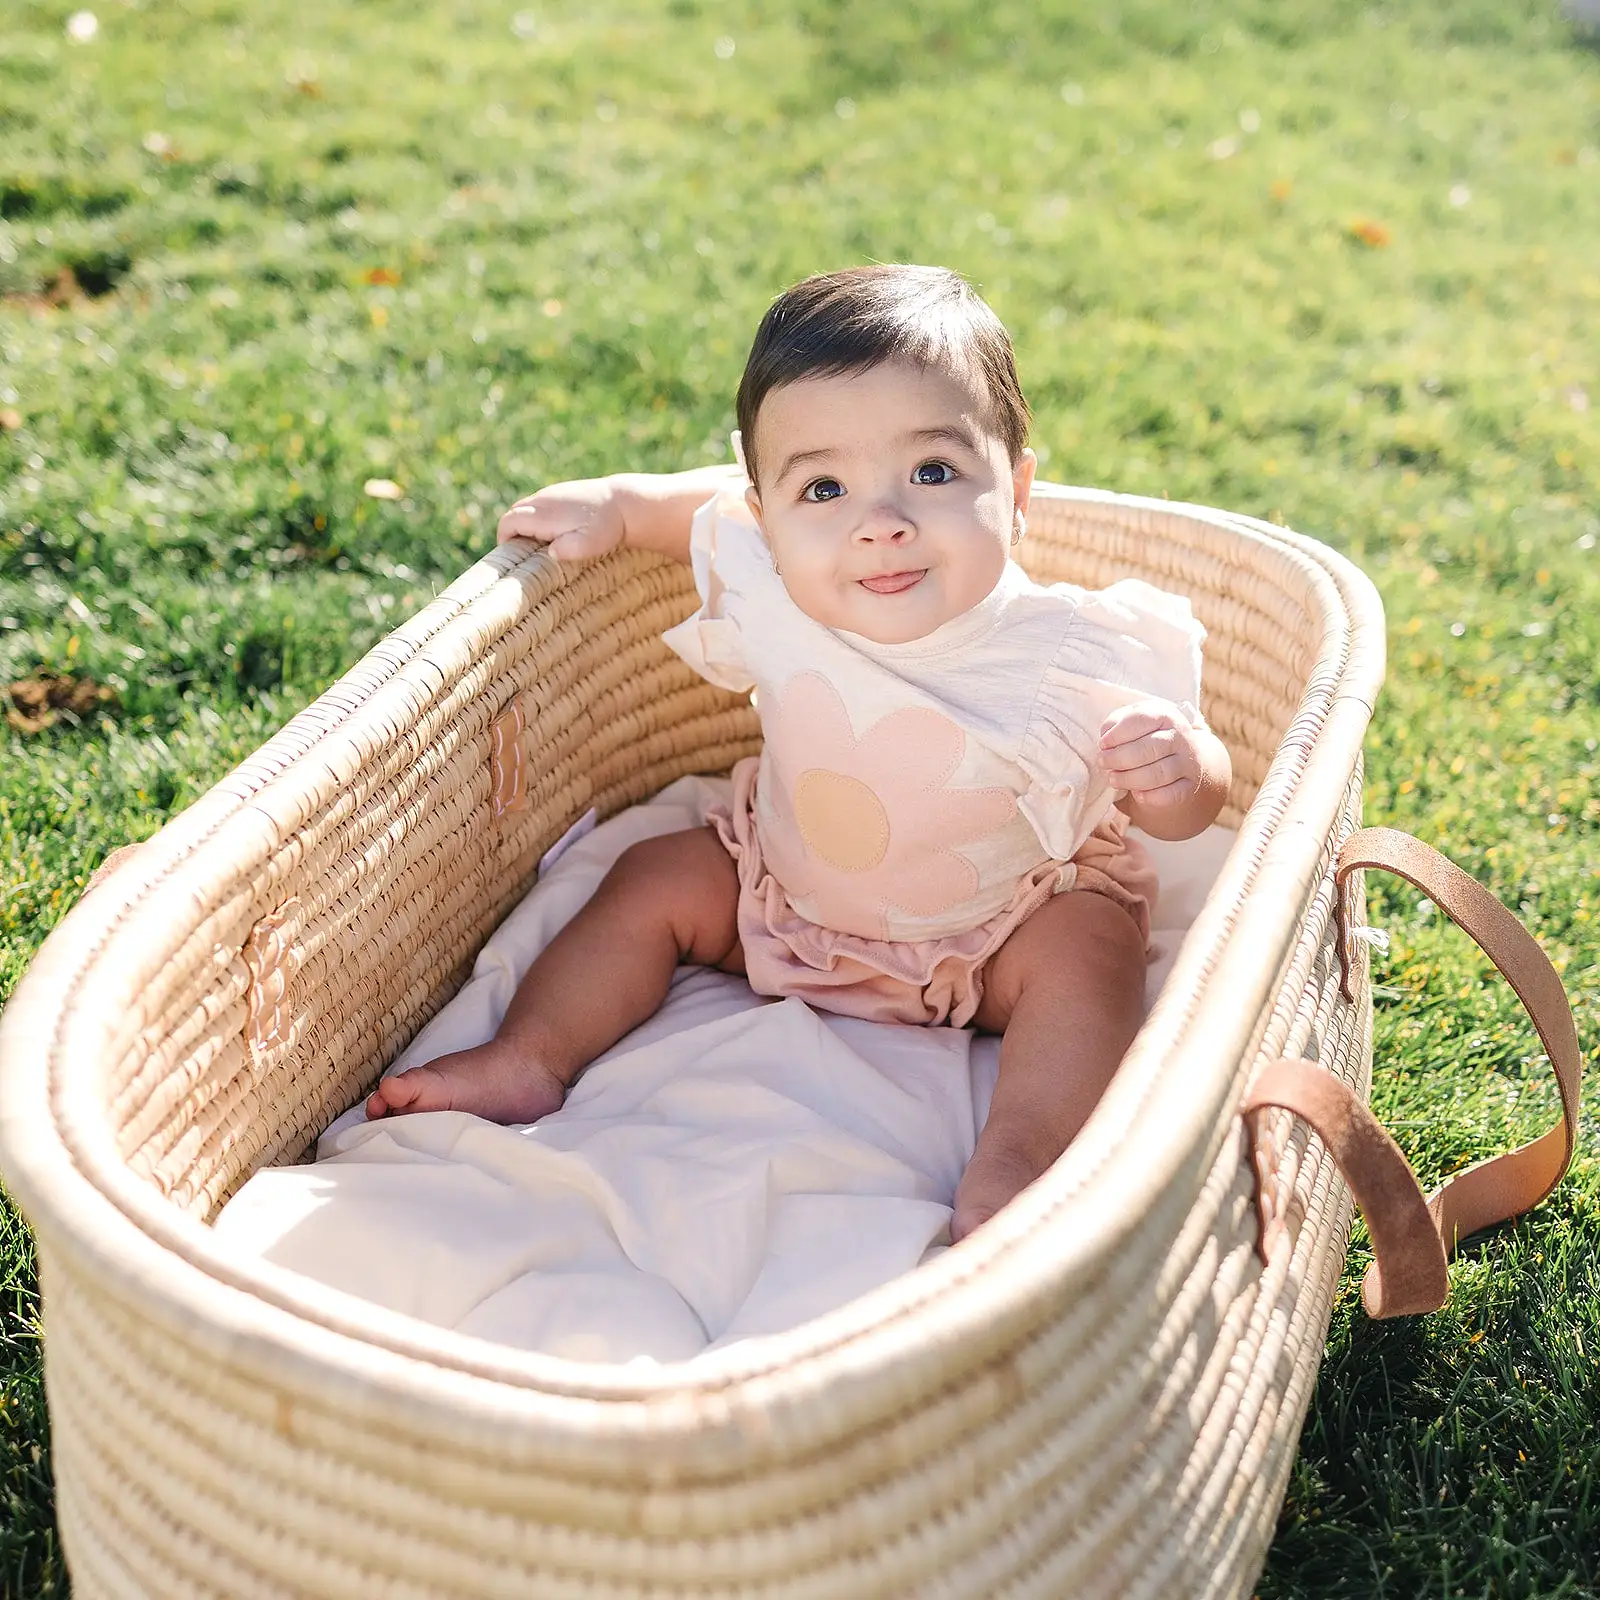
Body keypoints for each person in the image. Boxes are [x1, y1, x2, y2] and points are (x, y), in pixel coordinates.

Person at [366, 264, 1232, 1240]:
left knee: (1093, 949)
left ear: (1018, 488)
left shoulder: (1068, 650)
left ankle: (1020, 1161)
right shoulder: (774, 582)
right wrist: (618, 505)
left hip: (995, 937)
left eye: (934, 473)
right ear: (771, 516)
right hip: (784, 906)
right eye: (823, 487)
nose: (881, 521)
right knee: (655, 874)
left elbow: (1189, 804)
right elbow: (702, 511)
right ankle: (532, 1051)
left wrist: (1180, 772)